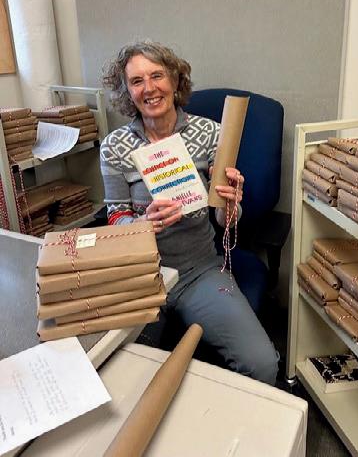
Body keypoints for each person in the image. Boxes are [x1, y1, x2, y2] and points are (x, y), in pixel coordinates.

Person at [100, 40, 278, 385]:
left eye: (157, 76)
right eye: (136, 81)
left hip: (198, 270)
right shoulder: (115, 147)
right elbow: (116, 217)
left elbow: (225, 221)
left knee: (262, 364)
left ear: (174, 79)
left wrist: (231, 203)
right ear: (127, 91)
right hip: (141, 274)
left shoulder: (210, 133)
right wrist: (143, 224)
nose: (149, 88)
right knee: (123, 372)